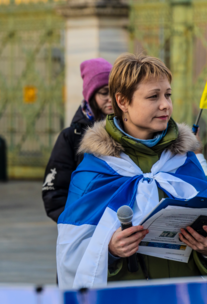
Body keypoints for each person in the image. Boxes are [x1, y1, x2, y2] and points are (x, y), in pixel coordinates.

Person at [57, 53, 207, 290]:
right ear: (123, 101)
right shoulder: (94, 170)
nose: (165, 105)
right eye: (153, 96)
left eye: (168, 94)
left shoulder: (185, 161)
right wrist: (110, 250)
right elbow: (70, 252)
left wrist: (205, 248)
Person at [42, 58, 113, 222]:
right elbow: (54, 194)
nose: (111, 98)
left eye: (114, 91)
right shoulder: (71, 136)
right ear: (91, 95)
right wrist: (77, 224)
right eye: (104, 92)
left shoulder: (130, 130)